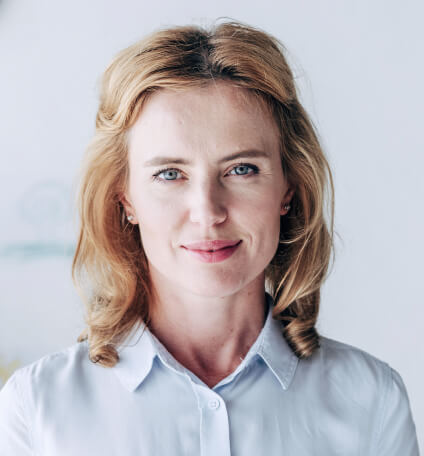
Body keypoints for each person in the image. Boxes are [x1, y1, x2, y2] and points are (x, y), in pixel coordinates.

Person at [0, 19, 419, 455]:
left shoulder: (372, 402)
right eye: (169, 174)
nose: (207, 212)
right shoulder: (37, 410)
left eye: (241, 169)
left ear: (289, 187)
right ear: (125, 199)